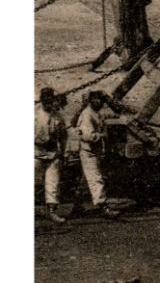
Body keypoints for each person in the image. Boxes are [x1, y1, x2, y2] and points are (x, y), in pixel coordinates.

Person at [75, 92, 118, 219]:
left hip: (95, 151)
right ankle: (103, 207)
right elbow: (87, 135)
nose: (101, 102)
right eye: (98, 100)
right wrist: (101, 136)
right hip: (88, 152)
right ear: (92, 100)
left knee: (86, 180)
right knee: (96, 178)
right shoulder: (87, 114)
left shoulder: (96, 113)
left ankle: (77, 207)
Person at [35, 88, 68, 223]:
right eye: (46, 100)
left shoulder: (57, 116)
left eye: (51, 100)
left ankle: (52, 212)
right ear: (42, 100)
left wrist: (63, 152)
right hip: (35, 152)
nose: (49, 103)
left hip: (52, 152)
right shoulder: (34, 114)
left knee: (52, 184)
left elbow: (63, 136)